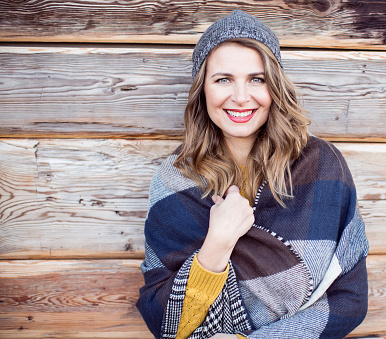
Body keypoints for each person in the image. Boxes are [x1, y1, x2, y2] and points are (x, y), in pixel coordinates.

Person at [136, 10, 369, 339]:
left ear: (274, 86)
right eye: (223, 79)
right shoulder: (175, 179)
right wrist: (217, 243)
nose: (241, 97)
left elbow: (350, 300)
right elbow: (164, 323)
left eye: (256, 79)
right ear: (202, 88)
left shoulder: (322, 165)